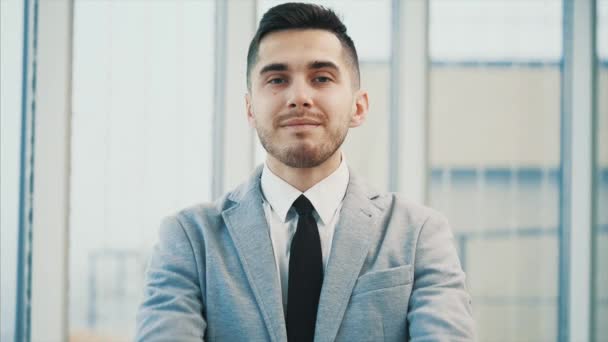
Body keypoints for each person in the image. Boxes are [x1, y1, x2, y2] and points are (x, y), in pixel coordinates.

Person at [136, 3, 474, 341]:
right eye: (277, 79)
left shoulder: (418, 236)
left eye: (321, 78)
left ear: (359, 107)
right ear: (250, 109)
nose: (299, 97)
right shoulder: (189, 240)